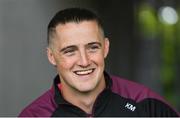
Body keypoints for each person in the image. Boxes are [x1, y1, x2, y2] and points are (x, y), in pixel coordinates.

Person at [19, 7, 179, 117]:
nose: (84, 61)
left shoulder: (147, 105)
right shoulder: (34, 115)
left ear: (106, 48)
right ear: (51, 56)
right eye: (70, 51)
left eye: (92, 48)